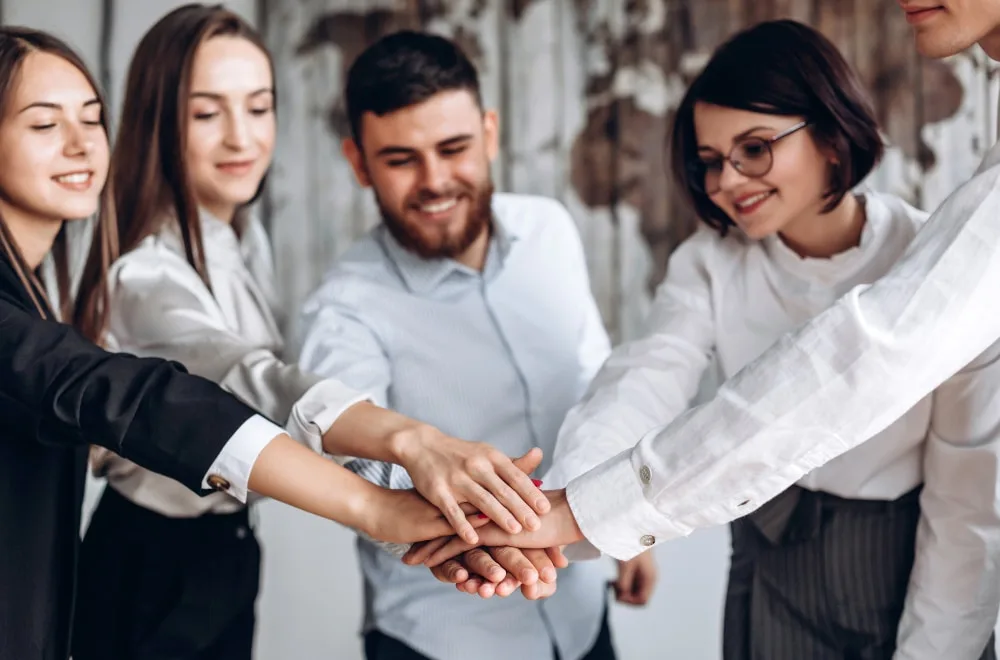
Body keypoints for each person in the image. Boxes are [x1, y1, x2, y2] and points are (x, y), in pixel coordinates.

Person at [408, 4, 1000, 656]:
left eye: (755, 149)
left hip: (900, 560)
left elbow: (965, 500)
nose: (727, 181)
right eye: (710, 161)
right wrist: (560, 503)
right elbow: (643, 379)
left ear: (832, 137)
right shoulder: (709, 264)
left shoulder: (928, 259)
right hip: (767, 554)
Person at [0, 22, 542, 660]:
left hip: (221, 548)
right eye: (207, 112)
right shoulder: (143, 272)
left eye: (260, 107)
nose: (242, 135)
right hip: (153, 558)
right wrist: (403, 457)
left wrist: (404, 511)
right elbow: (225, 388)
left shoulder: (240, 241)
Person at [296, 30, 654, 660]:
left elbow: (596, 379)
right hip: (442, 637)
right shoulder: (343, 306)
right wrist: (472, 532)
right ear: (358, 163)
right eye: (401, 159)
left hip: (580, 618)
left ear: (489, 133)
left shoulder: (550, 229)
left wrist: (628, 525)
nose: (435, 181)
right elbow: (363, 469)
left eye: (454, 148)